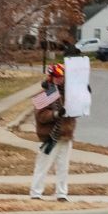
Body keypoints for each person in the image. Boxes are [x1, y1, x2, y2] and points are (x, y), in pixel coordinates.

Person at [30, 63, 77, 202]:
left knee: (63, 167)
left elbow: (78, 111)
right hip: (50, 137)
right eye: (56, 77)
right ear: (50, 77)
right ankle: (36, 193)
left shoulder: (69, 94)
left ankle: (62, 194)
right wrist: (56, 114)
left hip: (66, 135)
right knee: (43, 165)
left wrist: (84, 95)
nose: (59, 79)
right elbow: (40, 116)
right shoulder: (47, 93)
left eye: (61, 76)